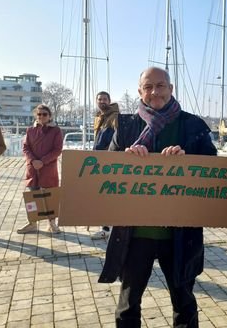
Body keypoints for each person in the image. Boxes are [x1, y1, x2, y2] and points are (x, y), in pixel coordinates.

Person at [98, 67, 217, 328]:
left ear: (171, 89)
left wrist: (189, 160)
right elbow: (104, 169)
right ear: (140, 91)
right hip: (134, 233)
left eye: (160, 86)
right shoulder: (126, 126)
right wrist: (126, 158)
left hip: (179, 233)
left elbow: (213, 170)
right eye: (148, 87)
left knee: (184, 303)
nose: (155, 92)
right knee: (128, 304)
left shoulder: (192, 125)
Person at [17, 104, 63, 234]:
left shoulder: (56, 131)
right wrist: (33, 160)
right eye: (39, 114)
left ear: (50, 116)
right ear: (36, 116)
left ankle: (52, 223)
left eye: (44, 114)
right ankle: (32, 222)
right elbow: (26, 147)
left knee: (50, 196)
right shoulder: (30, 130)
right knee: (32, 196)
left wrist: (43, 161)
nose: (41, 116)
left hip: (48, 168)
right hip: (33, 169)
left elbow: (57, 149)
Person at [90, 91, 119, 240]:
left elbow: (118, 138)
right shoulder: (99, 117)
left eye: (105, 99)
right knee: (102, 195)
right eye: (99, 99)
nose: (102, 101)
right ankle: (106, 226)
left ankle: (108, 228)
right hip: (98, 160)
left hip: (108, 161)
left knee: (108, 195)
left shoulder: (114, 116)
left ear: (109, 100)